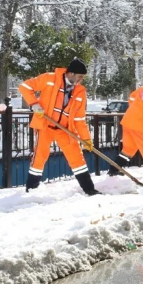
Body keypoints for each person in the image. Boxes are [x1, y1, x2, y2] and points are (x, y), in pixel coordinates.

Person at [18, 58, 100, 195]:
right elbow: (25, 87)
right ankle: (31, 190)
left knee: (77, 157)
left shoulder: (80, 91)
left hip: (66, 129)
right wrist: (35, 104)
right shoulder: (50, 78)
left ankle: (89, 189)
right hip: (46, 125)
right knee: (40, 156)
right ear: (71, 73)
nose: (81, 80)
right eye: (80, 76)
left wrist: (86, 139)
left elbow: (80, 119)